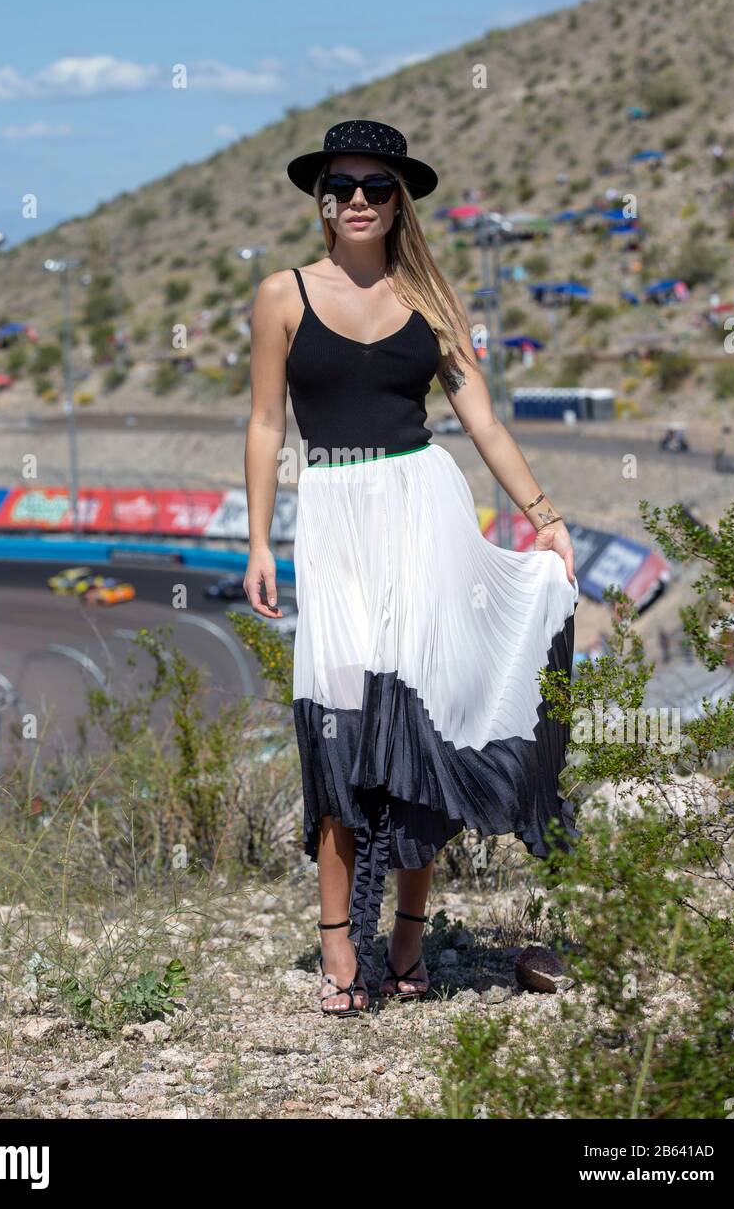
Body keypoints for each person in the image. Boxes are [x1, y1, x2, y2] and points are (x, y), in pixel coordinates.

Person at [243, 120, 578, 1016]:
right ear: (322, 199)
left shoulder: (431, 300)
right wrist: (258, 541)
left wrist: (545, 518)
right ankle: (334, 943)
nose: (357, 199)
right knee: (336, 724)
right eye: (341, 184)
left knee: (415, 728)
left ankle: (406, 937)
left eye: (375, 186)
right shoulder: (282, 295)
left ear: (400, 202)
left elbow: (486, 425)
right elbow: (267, 426)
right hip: (335, 517)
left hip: (422, 509)